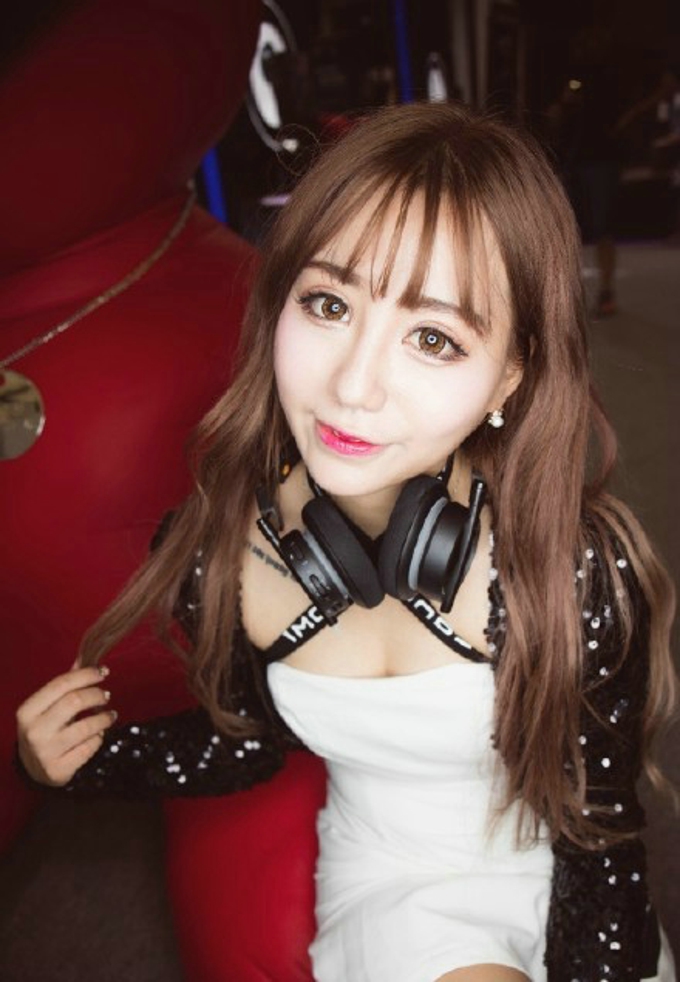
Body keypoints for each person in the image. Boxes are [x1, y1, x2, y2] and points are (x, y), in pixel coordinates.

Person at [15, 102, 676, 982]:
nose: (353, 386)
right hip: (390, 887)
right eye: (328, 303)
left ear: (508, 380)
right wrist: (81, 761)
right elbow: (246, 742)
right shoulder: (221, 555)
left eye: (433, 338)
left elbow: (602, 839)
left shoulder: (577, 569)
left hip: (567, 877)